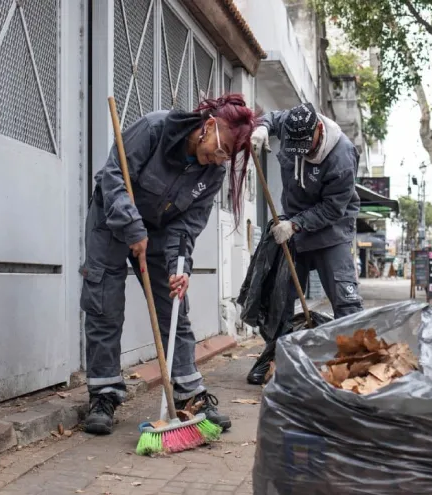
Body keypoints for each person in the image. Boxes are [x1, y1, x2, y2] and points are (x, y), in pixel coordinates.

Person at [81, 94, 256, 435]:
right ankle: (104, 393)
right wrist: (132, 227)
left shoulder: (213, 173)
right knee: (105, 304)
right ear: (208, 127)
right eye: (220, 150)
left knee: (174, 306)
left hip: (161, 234)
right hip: (112, 221)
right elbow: (114, 178)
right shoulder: (154, 128)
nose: (218, 160)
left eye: (226, 157)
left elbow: (188, 225)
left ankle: (189, 390)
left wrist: (181, 267)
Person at [246, 102, 363, 384]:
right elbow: (274, 117)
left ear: (319, 130)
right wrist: (262, 127)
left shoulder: (343, 156)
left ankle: (356, 362)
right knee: (279, 298)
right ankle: (275, 356)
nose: (301, 153)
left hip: (330, 231)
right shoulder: (292, 123)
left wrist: (295, 225)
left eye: (306, 147)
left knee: (345, 300)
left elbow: (334, 208)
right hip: (291, 225)